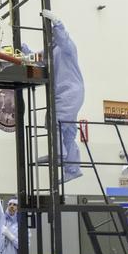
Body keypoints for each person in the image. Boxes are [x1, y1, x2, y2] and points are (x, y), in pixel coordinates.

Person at [46, 14, 85, 182]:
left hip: (70, 92)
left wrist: (58, 24)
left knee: (54, 121)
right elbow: (38, 59)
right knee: (68, 130)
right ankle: (72, 168)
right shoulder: (53, 50)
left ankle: (59, 154)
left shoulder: (67, 47)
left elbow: (63, 39)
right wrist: (23, 51)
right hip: (67, 93)